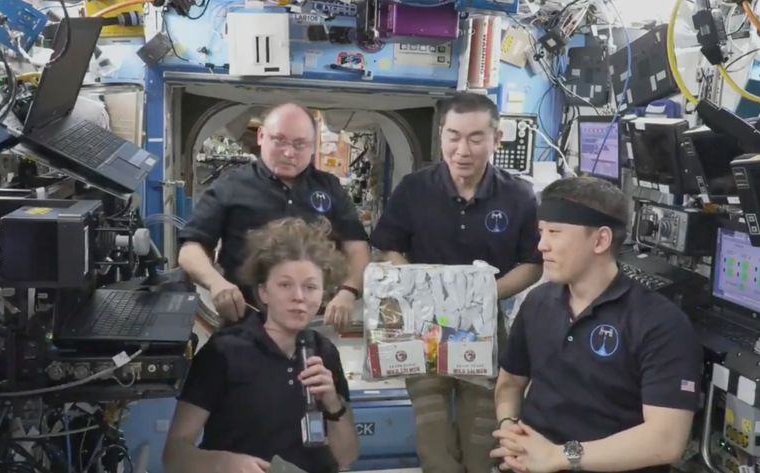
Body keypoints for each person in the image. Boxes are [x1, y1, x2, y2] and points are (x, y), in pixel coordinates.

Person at [369, 92, 544, 473]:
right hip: (422, 326)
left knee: (483, 436)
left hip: (484, 326)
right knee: (433, 436)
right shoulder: (415, 189)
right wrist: (420, 286)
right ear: (442, 136)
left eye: (475, 138)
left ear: (496, 139)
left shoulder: (519, 196)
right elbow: (388, 247)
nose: (462, 149)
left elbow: (533, 264)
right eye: (453, 136)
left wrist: (479, 296)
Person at [490, 176, 703, 473]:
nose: (542, 245)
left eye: (555, 232)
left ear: (601, 240)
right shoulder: (538, 302)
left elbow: (666, 440)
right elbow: (509, 384)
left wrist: (559, 456)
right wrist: (510, 427)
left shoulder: (660, 324)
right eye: (541, 232)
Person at [163, 218, 359, 473]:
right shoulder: (225, 352)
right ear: (263, 291)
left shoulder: (324, 353)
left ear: (322, 294)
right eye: (285, 285)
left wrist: (333, 403)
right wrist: (223, 463)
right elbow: (174, 455)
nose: (299, 297)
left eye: (310, 287)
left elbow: (348, 457)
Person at [178, 103, 371, 327]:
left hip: (314, 321)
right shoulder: (230, 186)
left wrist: (349, 290)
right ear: (261, 136)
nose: (289, 153)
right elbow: (190, 249)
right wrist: (216, 283)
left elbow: (357, 248)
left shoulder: (330, 188)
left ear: (312, 147)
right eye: (279, 140)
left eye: (300, 144)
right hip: (245, 319)